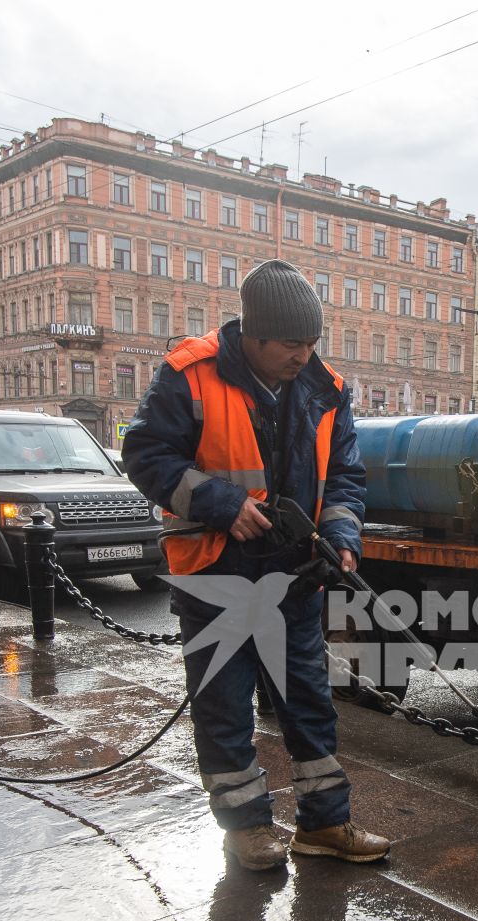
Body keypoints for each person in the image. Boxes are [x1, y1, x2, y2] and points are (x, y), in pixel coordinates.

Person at [122, 260, 389, 873]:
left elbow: (345, 477)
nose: (303, 355)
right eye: (292, 344)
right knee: (225, 703)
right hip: (216, 571)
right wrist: (223, 504)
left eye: (312, 342)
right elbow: (144, 455)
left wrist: (343, 535)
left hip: (293, 574)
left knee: (309, 702)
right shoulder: (190, 375)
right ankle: (246, 828)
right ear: (254, 336)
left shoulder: (326, 388)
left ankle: (325, 825)